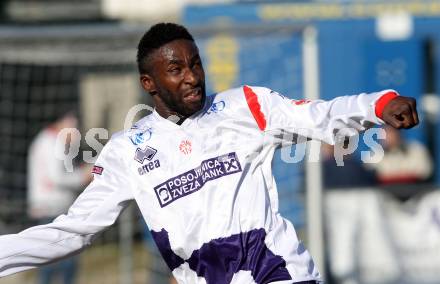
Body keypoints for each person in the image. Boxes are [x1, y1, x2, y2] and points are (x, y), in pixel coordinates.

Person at [0, 23, 419, 284]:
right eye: (176, 70)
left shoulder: (244, 106)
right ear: (150, 83)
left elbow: (319, 116)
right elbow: (74, 230)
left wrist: (376, 105)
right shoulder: (128, 150)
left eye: (195, 64)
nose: (192, 78)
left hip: (276, 270)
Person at [27, 111, 92, 284]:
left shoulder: (47, 140)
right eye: (74, 127)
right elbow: (56, 177)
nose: (76, 132)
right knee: (62, 263)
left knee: (56, 263)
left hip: (51, 208)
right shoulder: (51, 142)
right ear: (64, 122)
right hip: (51, 210)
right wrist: (83, 176)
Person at [366, 125, 432, 185]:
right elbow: (370, 175)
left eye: (392, 132)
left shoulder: (416, 149)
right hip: (384, 193)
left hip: (414, 190)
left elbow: (425, 172)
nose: (388, 136)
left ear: (399, 134)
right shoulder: (374, 154)